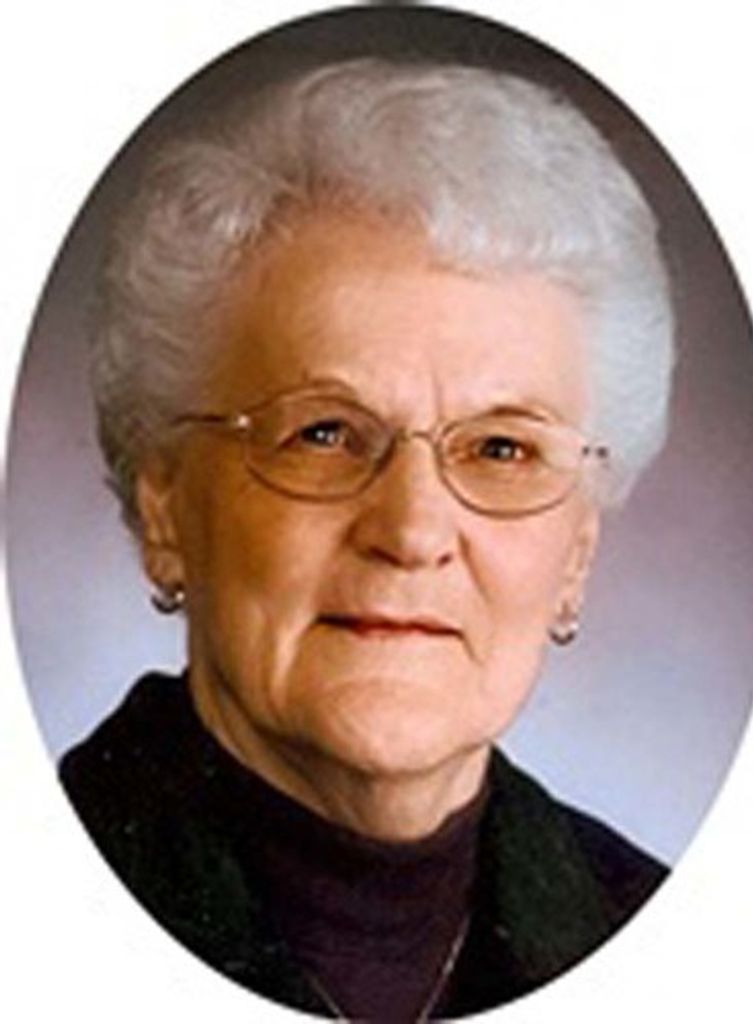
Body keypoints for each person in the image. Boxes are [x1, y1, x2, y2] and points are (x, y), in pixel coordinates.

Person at [60, 58, 674, 1020]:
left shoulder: (665, 932)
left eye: (502, 448)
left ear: (577, 554)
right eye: (325, 433)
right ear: (168, 507)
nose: (414, 531)